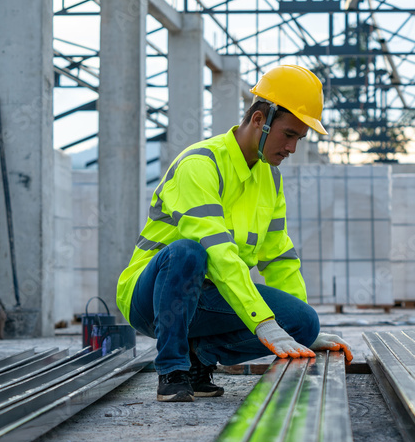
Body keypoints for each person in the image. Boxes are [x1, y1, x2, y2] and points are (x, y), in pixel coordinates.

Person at [116, 64, 353, 402]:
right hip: (153, 297)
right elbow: (218, 252)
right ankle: (172, 368)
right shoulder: (200, 165)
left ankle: (200, 356)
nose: (292, 148)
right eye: (289, 134)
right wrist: (264, 323)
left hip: (210, 298)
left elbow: (280, 257)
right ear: (259, 120)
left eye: (299, 139)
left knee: (304, 323)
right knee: (188, 252)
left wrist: (299, 332)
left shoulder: (269, 178)